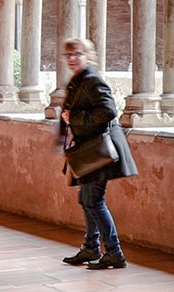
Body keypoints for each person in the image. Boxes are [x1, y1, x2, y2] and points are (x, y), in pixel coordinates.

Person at [58, 38, 138, 270]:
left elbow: (109, 110)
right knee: (87, 199)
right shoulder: (79, 80)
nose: (72, 59)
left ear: (88, 56)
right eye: (69, 55)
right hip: (87, 149)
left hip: (98, 150)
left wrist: (75, 118)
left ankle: (114, 252)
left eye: (77, 54)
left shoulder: (92, 80)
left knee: (93, 200)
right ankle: (92, 247)